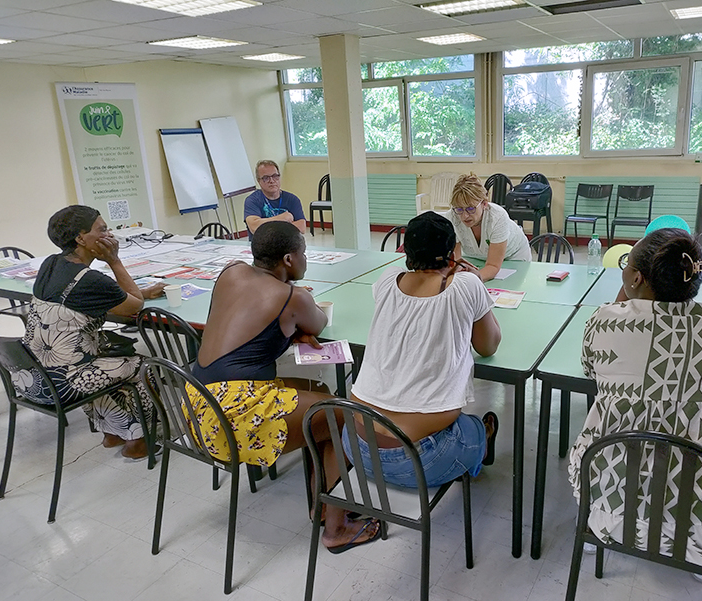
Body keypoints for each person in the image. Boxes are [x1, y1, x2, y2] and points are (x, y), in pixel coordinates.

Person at [568, 228, 702, 583]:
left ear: (638, 278)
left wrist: (629, 298)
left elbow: (590, 366)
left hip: (612, 506)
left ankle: (601, 535)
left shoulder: (604, 323)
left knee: (601, 445)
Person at [191, 221, 380, 553]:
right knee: (342, 416)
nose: (306, 259)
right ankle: (336, 528)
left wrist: (291, 325)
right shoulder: (290, 296)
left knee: (320, 399)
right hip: (236, 416)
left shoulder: (230, 272)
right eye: (304, 253)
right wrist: (298, 320)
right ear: (290, 260)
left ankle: (321, 501)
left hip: (199, 406)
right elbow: (318, 322)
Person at [344, 211, 502, 488]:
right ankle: (478, 450)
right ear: (454, 251)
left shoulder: (387, 279)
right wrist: (471, 285)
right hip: (421, 461)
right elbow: (488, 346)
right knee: (475, 429)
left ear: (406, 253)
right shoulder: (466, 284)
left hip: (354, 446)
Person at [20, 206, 165, 459]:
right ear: (80, 238)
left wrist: (141, 291)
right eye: (102, 230)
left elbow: (116, 298)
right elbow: (134, 307)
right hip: (61, 381)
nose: (109, 235)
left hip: (30, 375)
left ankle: (113, 433)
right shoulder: (90, 279)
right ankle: (139, 441)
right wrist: (115, 261)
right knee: (142, 365)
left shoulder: (51, 263)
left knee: (103, 359)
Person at [444, 173, 531, 282]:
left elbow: (493, 266)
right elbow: (455, 261)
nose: (465, 215)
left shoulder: (497, 217)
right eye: (459, 209)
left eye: (471, 209)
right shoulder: (452, 217)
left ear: (484, 203)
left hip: (513, 255)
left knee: (506, 288)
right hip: (476, 257)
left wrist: (469, 282)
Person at [243, 160, 306, 236]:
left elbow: (302, 227)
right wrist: (283, 218)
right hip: (262, 246)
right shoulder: (253, 200)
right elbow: (254, 227)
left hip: (287, 244)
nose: (272, 181)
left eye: (275, 176)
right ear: (259, 181)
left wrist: (265, 225)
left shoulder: (292, 199)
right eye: (266, 178)